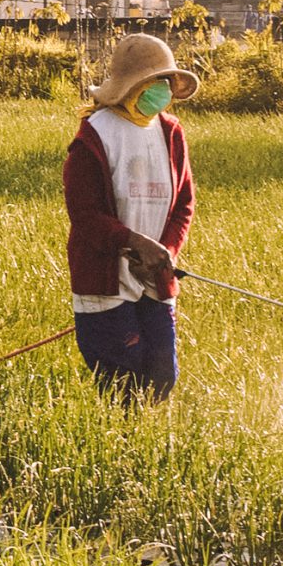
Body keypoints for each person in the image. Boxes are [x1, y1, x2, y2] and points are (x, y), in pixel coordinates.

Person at [63, 32, 198, 400]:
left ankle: (144, 446)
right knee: (124, 381)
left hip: (155, 277)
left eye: (168, 82)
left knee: (161, 375)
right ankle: (119, 448)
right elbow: (86, 215)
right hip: (106, 282)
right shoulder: (96, 136)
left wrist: (163, 252)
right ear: (134, 85)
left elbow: (184, 202)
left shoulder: (170, 133)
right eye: (157, 82)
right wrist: (133, 243)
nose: (165, 90)